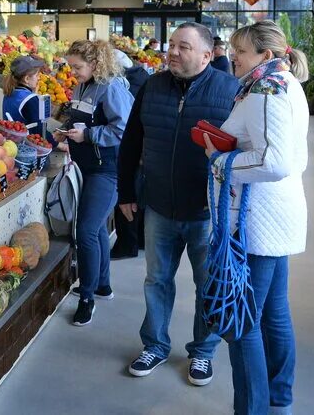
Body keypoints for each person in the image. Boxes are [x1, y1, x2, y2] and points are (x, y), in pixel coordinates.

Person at [117, 22, 239, 387]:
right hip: (159, 205)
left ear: (206, 55)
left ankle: (202, 351)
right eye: (171, 45)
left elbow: (245, 148)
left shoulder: (230, 90)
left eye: (183, 47)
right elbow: (130, 142)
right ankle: (154, 345)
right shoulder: (152, 87)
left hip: (206, 211)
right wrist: (126, 192)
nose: (173, 52)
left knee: (208, 284)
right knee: (156, 280)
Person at [201, 20, 309, 415]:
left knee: (241, 321)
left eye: (240, 50)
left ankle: (254, 409)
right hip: (277, 216)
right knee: (274, 313)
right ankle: (279, 402)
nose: (232, 56)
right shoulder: (283, 84)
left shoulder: (266, 91)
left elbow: (273, 161)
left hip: (258, 223)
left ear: (265, 55)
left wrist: (219, 159)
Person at [53, 40, 133, 326]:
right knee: (97, 226)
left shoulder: (112, 87)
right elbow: (83, 120)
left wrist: (87, 136)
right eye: (71, 67)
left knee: (85, 230)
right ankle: (102, 284)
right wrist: (68, 132)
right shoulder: (83, 86)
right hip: (86, 166)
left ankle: (86, 298)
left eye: (78, 67)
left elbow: (124, 129)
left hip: (107, 170)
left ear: (96, 64)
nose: (73, 72)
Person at [112, 60, 151, 260]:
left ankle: (128, 244)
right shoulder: (143, 78)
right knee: (139, 195)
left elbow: (123, 124)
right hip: (144, 151)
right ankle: (140, 241)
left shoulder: (122, 85)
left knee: (128, 200)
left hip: (135, 149)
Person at [1, 56, 48, 136]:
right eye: (37, 75)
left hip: (8, 139)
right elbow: (41, 131)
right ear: (26, 79)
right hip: (24, 143)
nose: (39, 78)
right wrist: (60, 145)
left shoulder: (10, 91)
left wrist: (34, 94)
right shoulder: (30, 99)